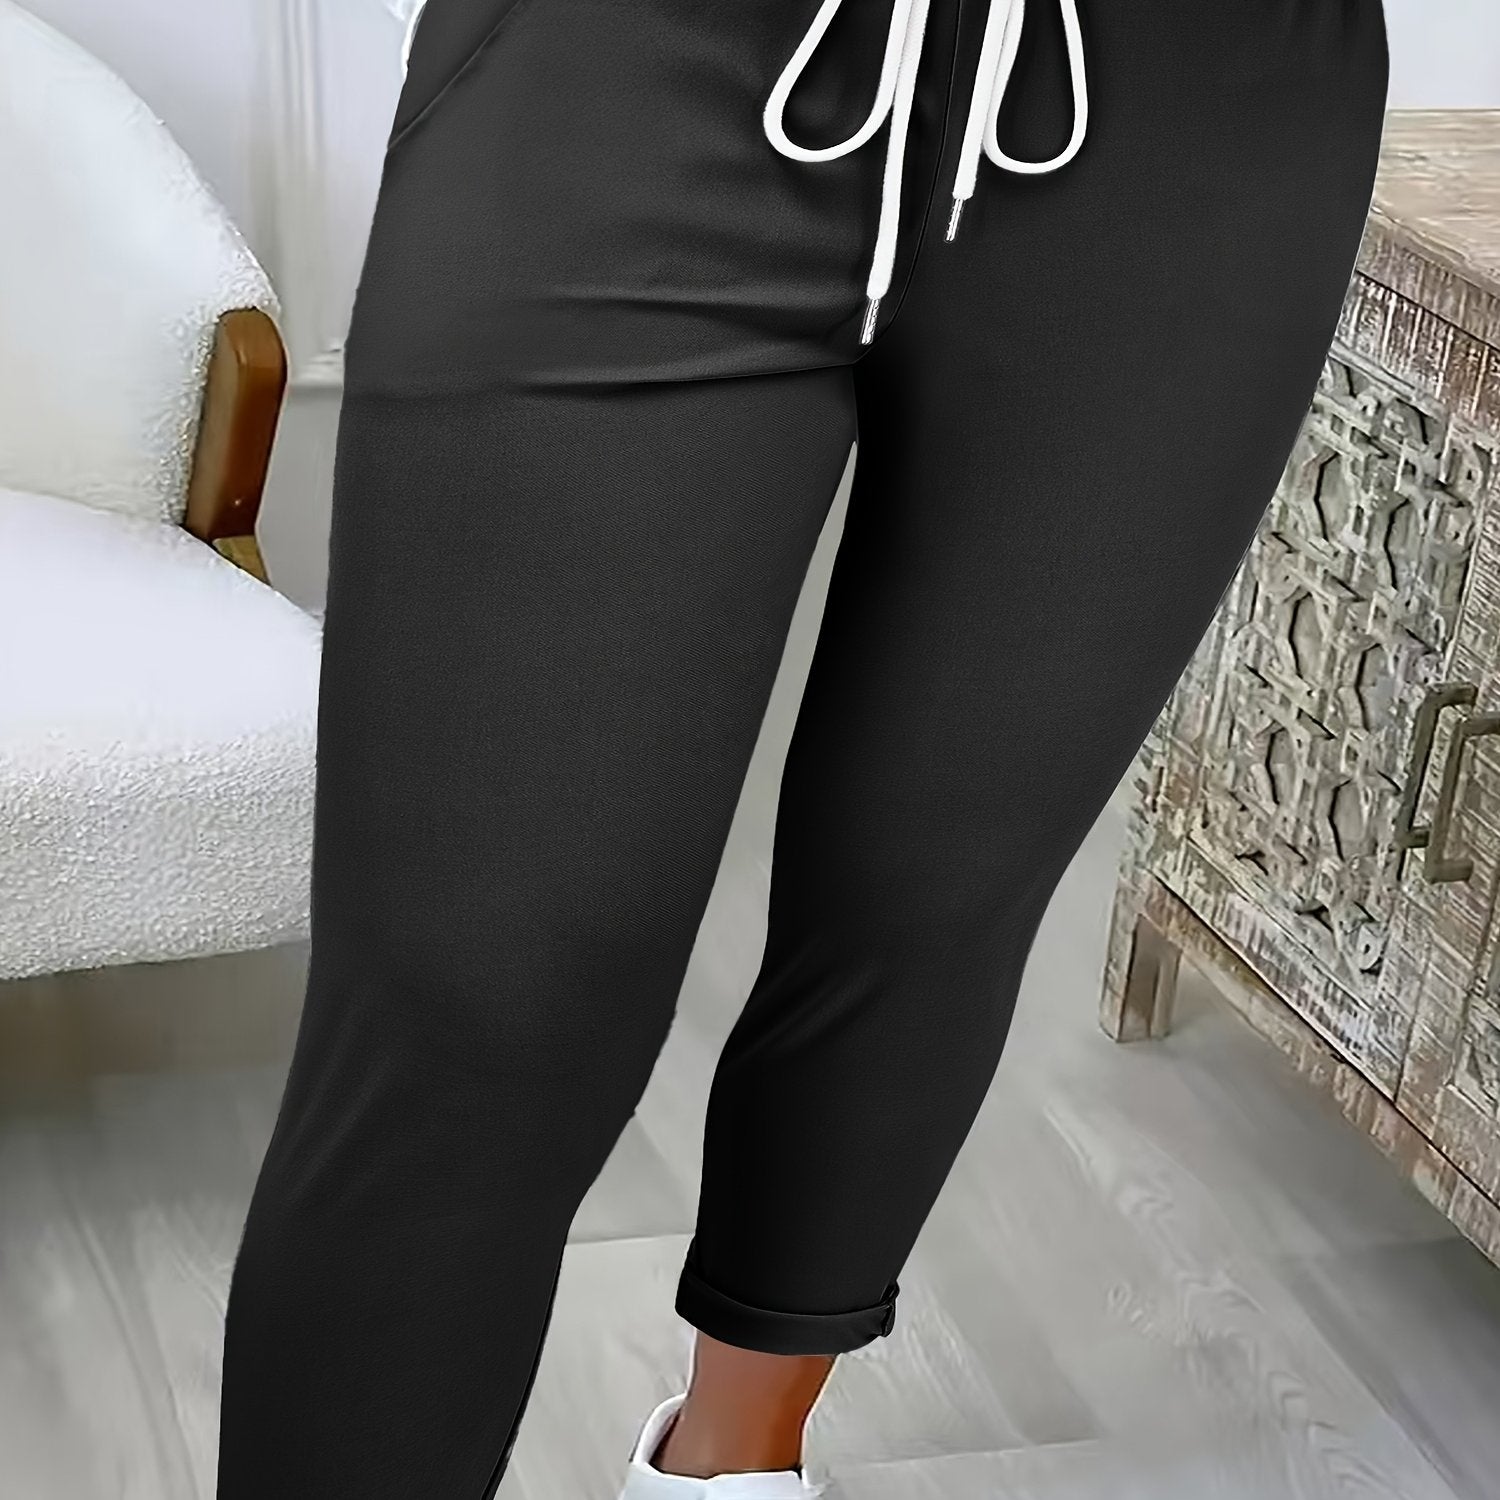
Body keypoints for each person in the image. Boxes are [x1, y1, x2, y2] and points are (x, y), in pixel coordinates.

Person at [215, 1, 1390, 1495]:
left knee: (927, 898)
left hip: (1204, 99)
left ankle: (729, 1466)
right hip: (647, 60)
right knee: (479, 988)